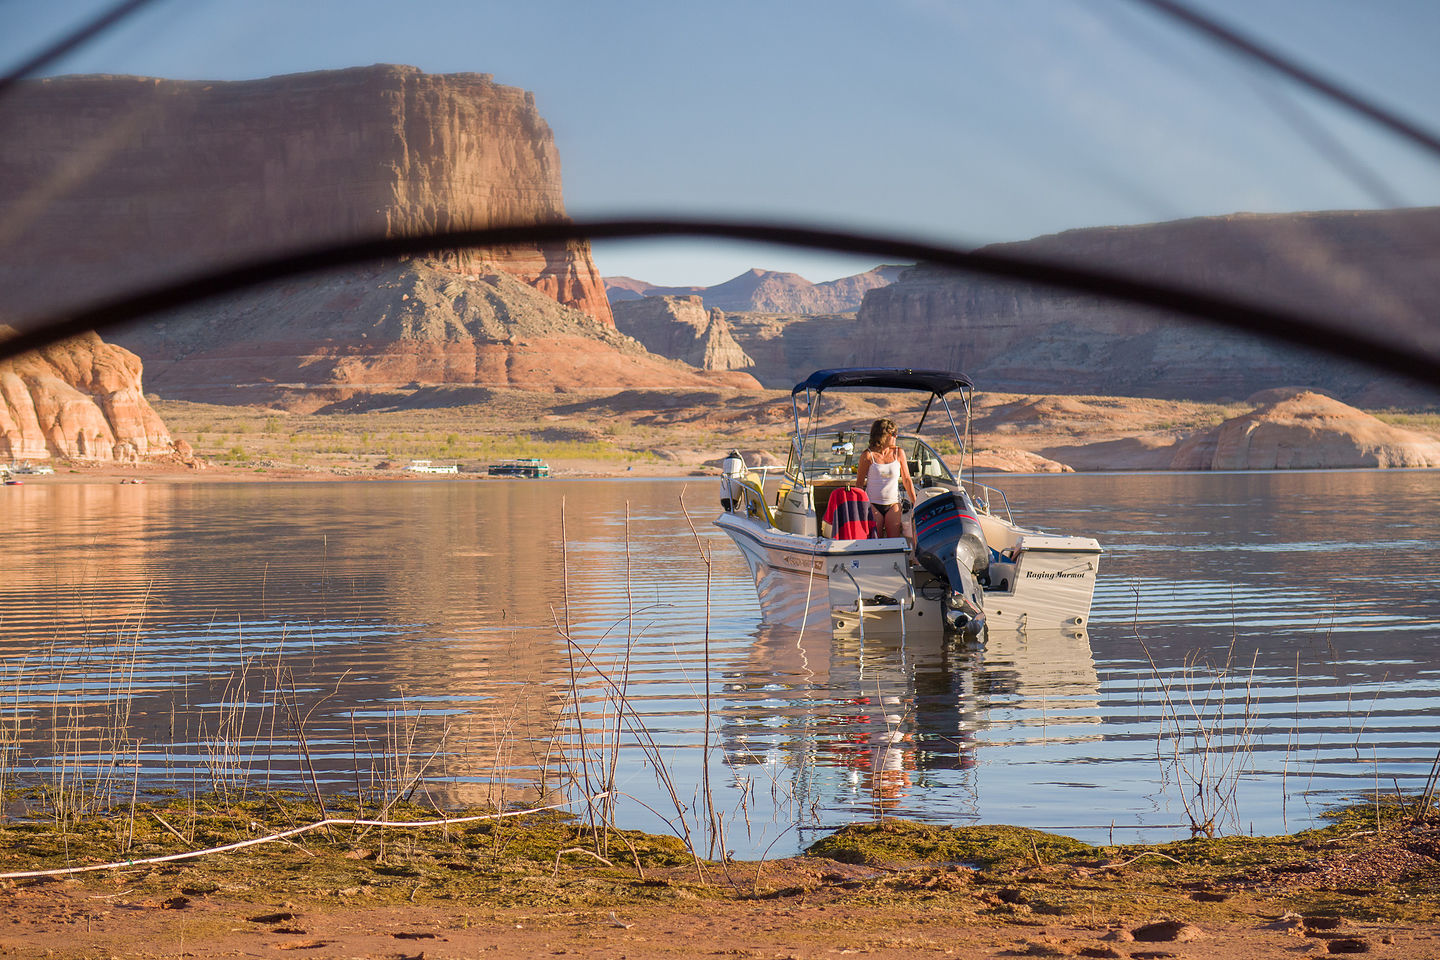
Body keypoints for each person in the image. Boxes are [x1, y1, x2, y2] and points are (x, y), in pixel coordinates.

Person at [857, 418, 916, 540]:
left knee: (893, 541)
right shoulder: (867, 455)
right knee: (875, 542)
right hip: (873, 504)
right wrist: (859, 508)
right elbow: (859, 485)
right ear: (883, 435)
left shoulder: (899, 453)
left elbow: (906, 479)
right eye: (893, 434)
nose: (896, 437)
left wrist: (915, 502)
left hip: (893, 503)